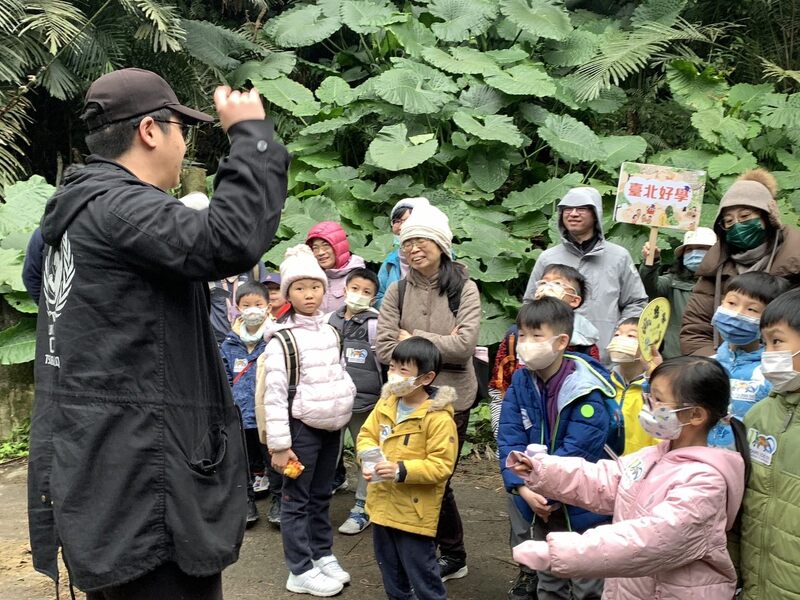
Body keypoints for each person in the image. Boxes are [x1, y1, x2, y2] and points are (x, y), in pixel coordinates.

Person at [28, 68, 289, 599]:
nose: (184, 143)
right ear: (150, 130)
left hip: (100, 471)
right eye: (181, 129)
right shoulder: (121, 206)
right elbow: (228, 239)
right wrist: (252, 135)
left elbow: (40, 285)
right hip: (145, 485)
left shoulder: (69, 214)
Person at [509, 356, 747, 600]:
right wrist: (541, 469)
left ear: (695, 415)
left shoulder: (705, 481)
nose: (649, 405)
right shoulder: (654, 456)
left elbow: (649, 540)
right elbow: (602, 479)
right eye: (649, 396)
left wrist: (558, 553)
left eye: (658, 400)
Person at [376, 202, 481, 582]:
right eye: (407, 242)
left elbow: (466, 346)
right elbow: (385, 346)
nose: (413, 248)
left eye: (421, 240)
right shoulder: (397, 292)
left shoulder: (464, 289)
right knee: (411, 473)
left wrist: (415, 339)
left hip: (452, 398)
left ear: (440, 243)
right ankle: (425, 548)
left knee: (439, 477)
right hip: (406, 399)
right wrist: (436, 346)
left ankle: (452, 553)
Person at [498, 297, 615, 600]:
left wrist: (543, 488)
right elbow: (509, 440)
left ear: (562, 341)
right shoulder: (521, 381)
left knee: (587, 578)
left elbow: (579, 450)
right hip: (538, 498)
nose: (525, 343)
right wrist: (524, 491)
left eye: (537, 336)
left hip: (583, 501)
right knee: (547, 573)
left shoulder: (587, 389)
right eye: (522, 335)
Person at [263, 244, 357, 597]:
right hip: (300, 429)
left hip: (331, 427)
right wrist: (280, 445)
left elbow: (341, 373)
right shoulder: (282, 340)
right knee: (296, 499)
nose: (309, 294)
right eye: (300, 288)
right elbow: (274, 396)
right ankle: (299, 568)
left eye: (315, 287)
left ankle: (322, 553)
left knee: (321, 496)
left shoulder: (331, 331)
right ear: (288, 293)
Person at [357, 336, 458, 600]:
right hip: (381, 506)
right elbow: (366, 434)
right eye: (392, 367)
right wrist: (370, 463)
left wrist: (401, 470)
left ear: (426, 378)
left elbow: (441, 466)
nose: (394, 375)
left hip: (414, 513)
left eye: (404, 371)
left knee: (423, 575)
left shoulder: (437, 418)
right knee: (391, 575)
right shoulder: (387, 402)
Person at [681, 169, 800, 356]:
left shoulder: (795, 265)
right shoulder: (715, 270)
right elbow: (695, 330)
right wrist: (715, 368)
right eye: (728, 221)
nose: (737, 225)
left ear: (767, 217)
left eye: (745, 217)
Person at [522, 187, 648, 362]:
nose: (573, 214)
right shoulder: (548, 258)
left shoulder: (618, 257)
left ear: (595, 213)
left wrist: (621, 336)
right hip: (552, 358)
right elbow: (530, 303)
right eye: (567, 209)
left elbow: (636, 302)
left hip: (605, 356)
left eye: (581, 208)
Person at [489, 264, 600, 442]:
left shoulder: (586, 343)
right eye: (544, 282)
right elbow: (500, 386)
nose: (548, 288)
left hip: (568, 425)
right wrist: (504, 430)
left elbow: (592, 387)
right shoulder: (515, 335)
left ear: (575, 300)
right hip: (521, 422)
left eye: (557, 283)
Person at [738, 288, 800, 599]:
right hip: (755, 582)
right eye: (764, 344)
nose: (768, 353)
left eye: (777, 341)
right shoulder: (759, 415)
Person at [326, 267, 383, 535]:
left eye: (367, 292)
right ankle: (321, 499)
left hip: (366, 403)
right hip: (333, 400)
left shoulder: (377, 324)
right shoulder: (329, 321)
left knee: (366, 454)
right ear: (345, 288)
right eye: (355, 289)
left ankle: (363, 506)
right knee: (327, 452)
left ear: (374, 297)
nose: (359, 295)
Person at [706, 272, 789, 450]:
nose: (736, 314)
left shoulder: (774, 372)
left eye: (751, 309)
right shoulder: (708, 364)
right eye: (731, 303)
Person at [220, 281, 271, 526]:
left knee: (272, 460)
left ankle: (280, 501)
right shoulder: (229, 344)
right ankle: (247, 502)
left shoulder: (274, 339)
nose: (252, 310)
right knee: (243, 463)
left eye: (258, 304)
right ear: (237, 308)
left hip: (267, 414)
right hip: (239, 414)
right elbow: (225, 377)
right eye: (247, 305)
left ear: (267, 307)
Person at [639, 227, 716, 358]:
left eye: (702, 248)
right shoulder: (672, 282)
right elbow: (648, 287)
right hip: (674, 357)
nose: (695, 253)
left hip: (711, 357)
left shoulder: (725, 283)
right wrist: (650, 262)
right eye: (690, 249)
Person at [606, 318, 657, 455]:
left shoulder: (655, 391)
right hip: (605, 467)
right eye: (617, 335)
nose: (620, 340)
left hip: (643, 467)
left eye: (631, 336)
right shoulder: (604, 384)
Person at [375, 196, 430, 308]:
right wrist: (393, 309)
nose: (400, 226)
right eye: (396, 221)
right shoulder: (391, 261)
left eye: (406, 221)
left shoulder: (439, 257)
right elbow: (378, 295)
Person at [306, 221, 366, 315]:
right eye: (315, 248)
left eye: (326, 246)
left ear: (339, 246)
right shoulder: (309, 276)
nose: (320, 252)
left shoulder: (359, 277)